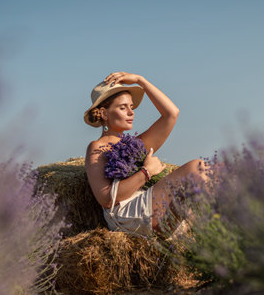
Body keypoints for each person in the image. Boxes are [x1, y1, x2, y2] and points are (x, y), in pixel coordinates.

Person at [84, 71, 209, 237]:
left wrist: (140, 80)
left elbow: (172, 113)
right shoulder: (97, 147)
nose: (131, 112)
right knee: (197, 167)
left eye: (132, 107)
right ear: (105, 114)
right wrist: (146, 172)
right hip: (127, 215)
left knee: (218, 170)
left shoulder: (135, 145)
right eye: (123, 107)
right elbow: (106, 199)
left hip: (149, 205)